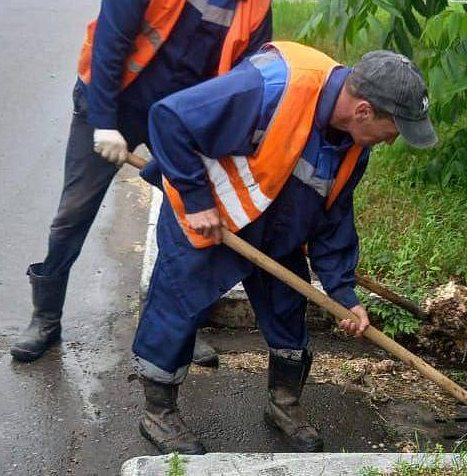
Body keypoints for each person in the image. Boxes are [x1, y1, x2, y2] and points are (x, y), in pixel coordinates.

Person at [11, 0, 313, 363]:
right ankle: (45, 317)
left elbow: (248, 86)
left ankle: (177, 325)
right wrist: (106, 121)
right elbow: (113, 34)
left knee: (189, 220)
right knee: (74, 213)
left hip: (179, 125)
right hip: (112, 102)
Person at [133, 41, 437, 454]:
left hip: (277, 233)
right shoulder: (271, 86)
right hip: (214, 217)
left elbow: (332, 221)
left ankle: (284, 405)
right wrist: (197, 199)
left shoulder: (353, 144)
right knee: (178, 306)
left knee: (288, 311)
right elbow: (168, 118)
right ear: (364, 110)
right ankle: (158, 413)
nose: (391, 141)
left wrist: (344, 295)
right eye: (394, 130)